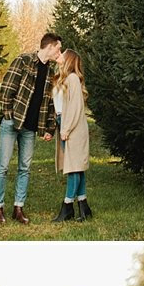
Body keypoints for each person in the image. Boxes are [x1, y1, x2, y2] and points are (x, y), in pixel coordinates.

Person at [0, 32, 62, 225]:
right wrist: (8, 115)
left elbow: (49, 103)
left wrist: (49, 128)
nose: (60, 52)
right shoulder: (23, 60)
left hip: (30, 127)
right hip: (12, 122)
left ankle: (18, 208)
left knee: (25, 168)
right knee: (3, 166)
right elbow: (7, 88)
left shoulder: (50, 71)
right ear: (50, 46)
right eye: (59, 48)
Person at [52, 48, 92, 223]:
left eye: (62, 54)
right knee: (76, 167)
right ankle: (83, 206)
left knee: (73, 167)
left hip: (72, 126)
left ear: (68, 59)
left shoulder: (73, 79)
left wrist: (66, 129)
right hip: (64, 122)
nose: (58, 55)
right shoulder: (64, 79)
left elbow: (75, 108)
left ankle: (67, 206)